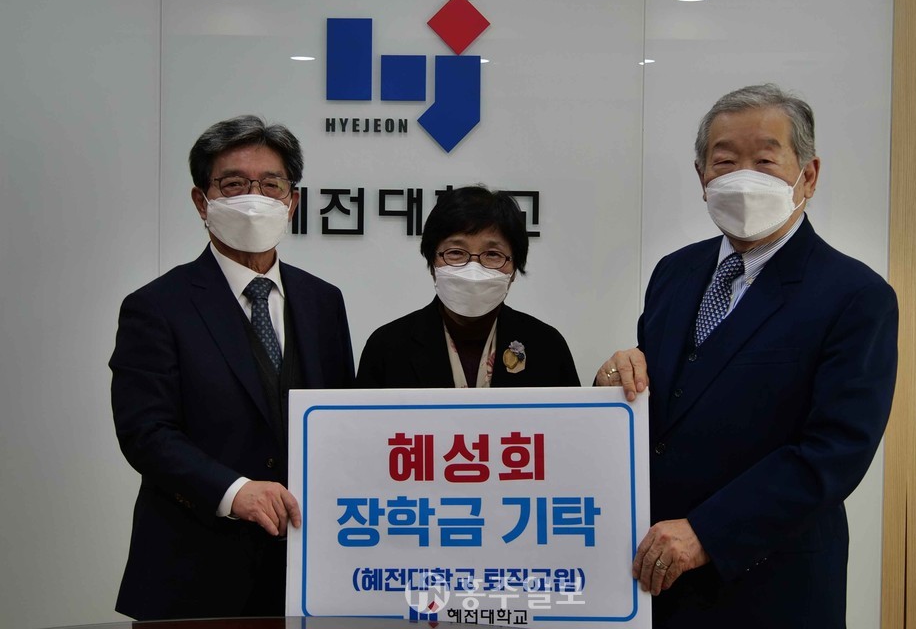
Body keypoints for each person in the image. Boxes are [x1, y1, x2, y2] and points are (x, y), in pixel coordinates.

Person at [595, 84, 898, 628]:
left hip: (771, 583)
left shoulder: (855, 294)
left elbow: (834, 452)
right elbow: (673, 399)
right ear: (701, 178)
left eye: (765, 160)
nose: (742, 176)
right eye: (725, 161)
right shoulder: (674, 272)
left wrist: (708, 532)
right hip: (654, 575)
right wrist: (617, 380)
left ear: (808, 176)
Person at [110, 115, 354, 620]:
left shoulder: (323, 301)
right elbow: (145, 432)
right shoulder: (156, 306)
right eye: (234, 184)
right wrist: (233, 490)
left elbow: (341, 421)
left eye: (271, 184)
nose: (254, 197)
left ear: (292, 201)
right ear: (202, 201)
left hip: (307, 570)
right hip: (194, 572)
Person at [356, 185, 580, 389]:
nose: (473, 270)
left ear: (513, 270)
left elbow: (574, 417)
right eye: (456, 252)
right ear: (432, 264)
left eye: (492, 254)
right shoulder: (387, 347)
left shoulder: (547, 346)